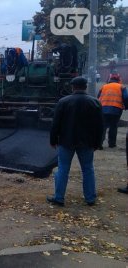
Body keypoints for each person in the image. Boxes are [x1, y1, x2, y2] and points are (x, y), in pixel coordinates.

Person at [48, 77, 104, 206]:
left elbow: (55, 123)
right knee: (88, 169)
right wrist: (98, 142)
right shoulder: (95, 102)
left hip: (66, 141)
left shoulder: (63, 102)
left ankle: (59, 198)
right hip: (87, 142)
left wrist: (53, 139)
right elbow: (100, 125)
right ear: (85, 86)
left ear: (73, 87)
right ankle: (90, 198)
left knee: (63, 169)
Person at [97, 75, 128, 148]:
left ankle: (99, 144)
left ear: (110, 79)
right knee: (113, 126)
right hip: (116, 109)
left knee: (103, 126)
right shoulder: (122, 87)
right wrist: (126, 106)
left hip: (103, 109)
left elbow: (98, 97)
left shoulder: (104, 86)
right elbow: (126, 97)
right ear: (118, 80)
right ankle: (111, 144)